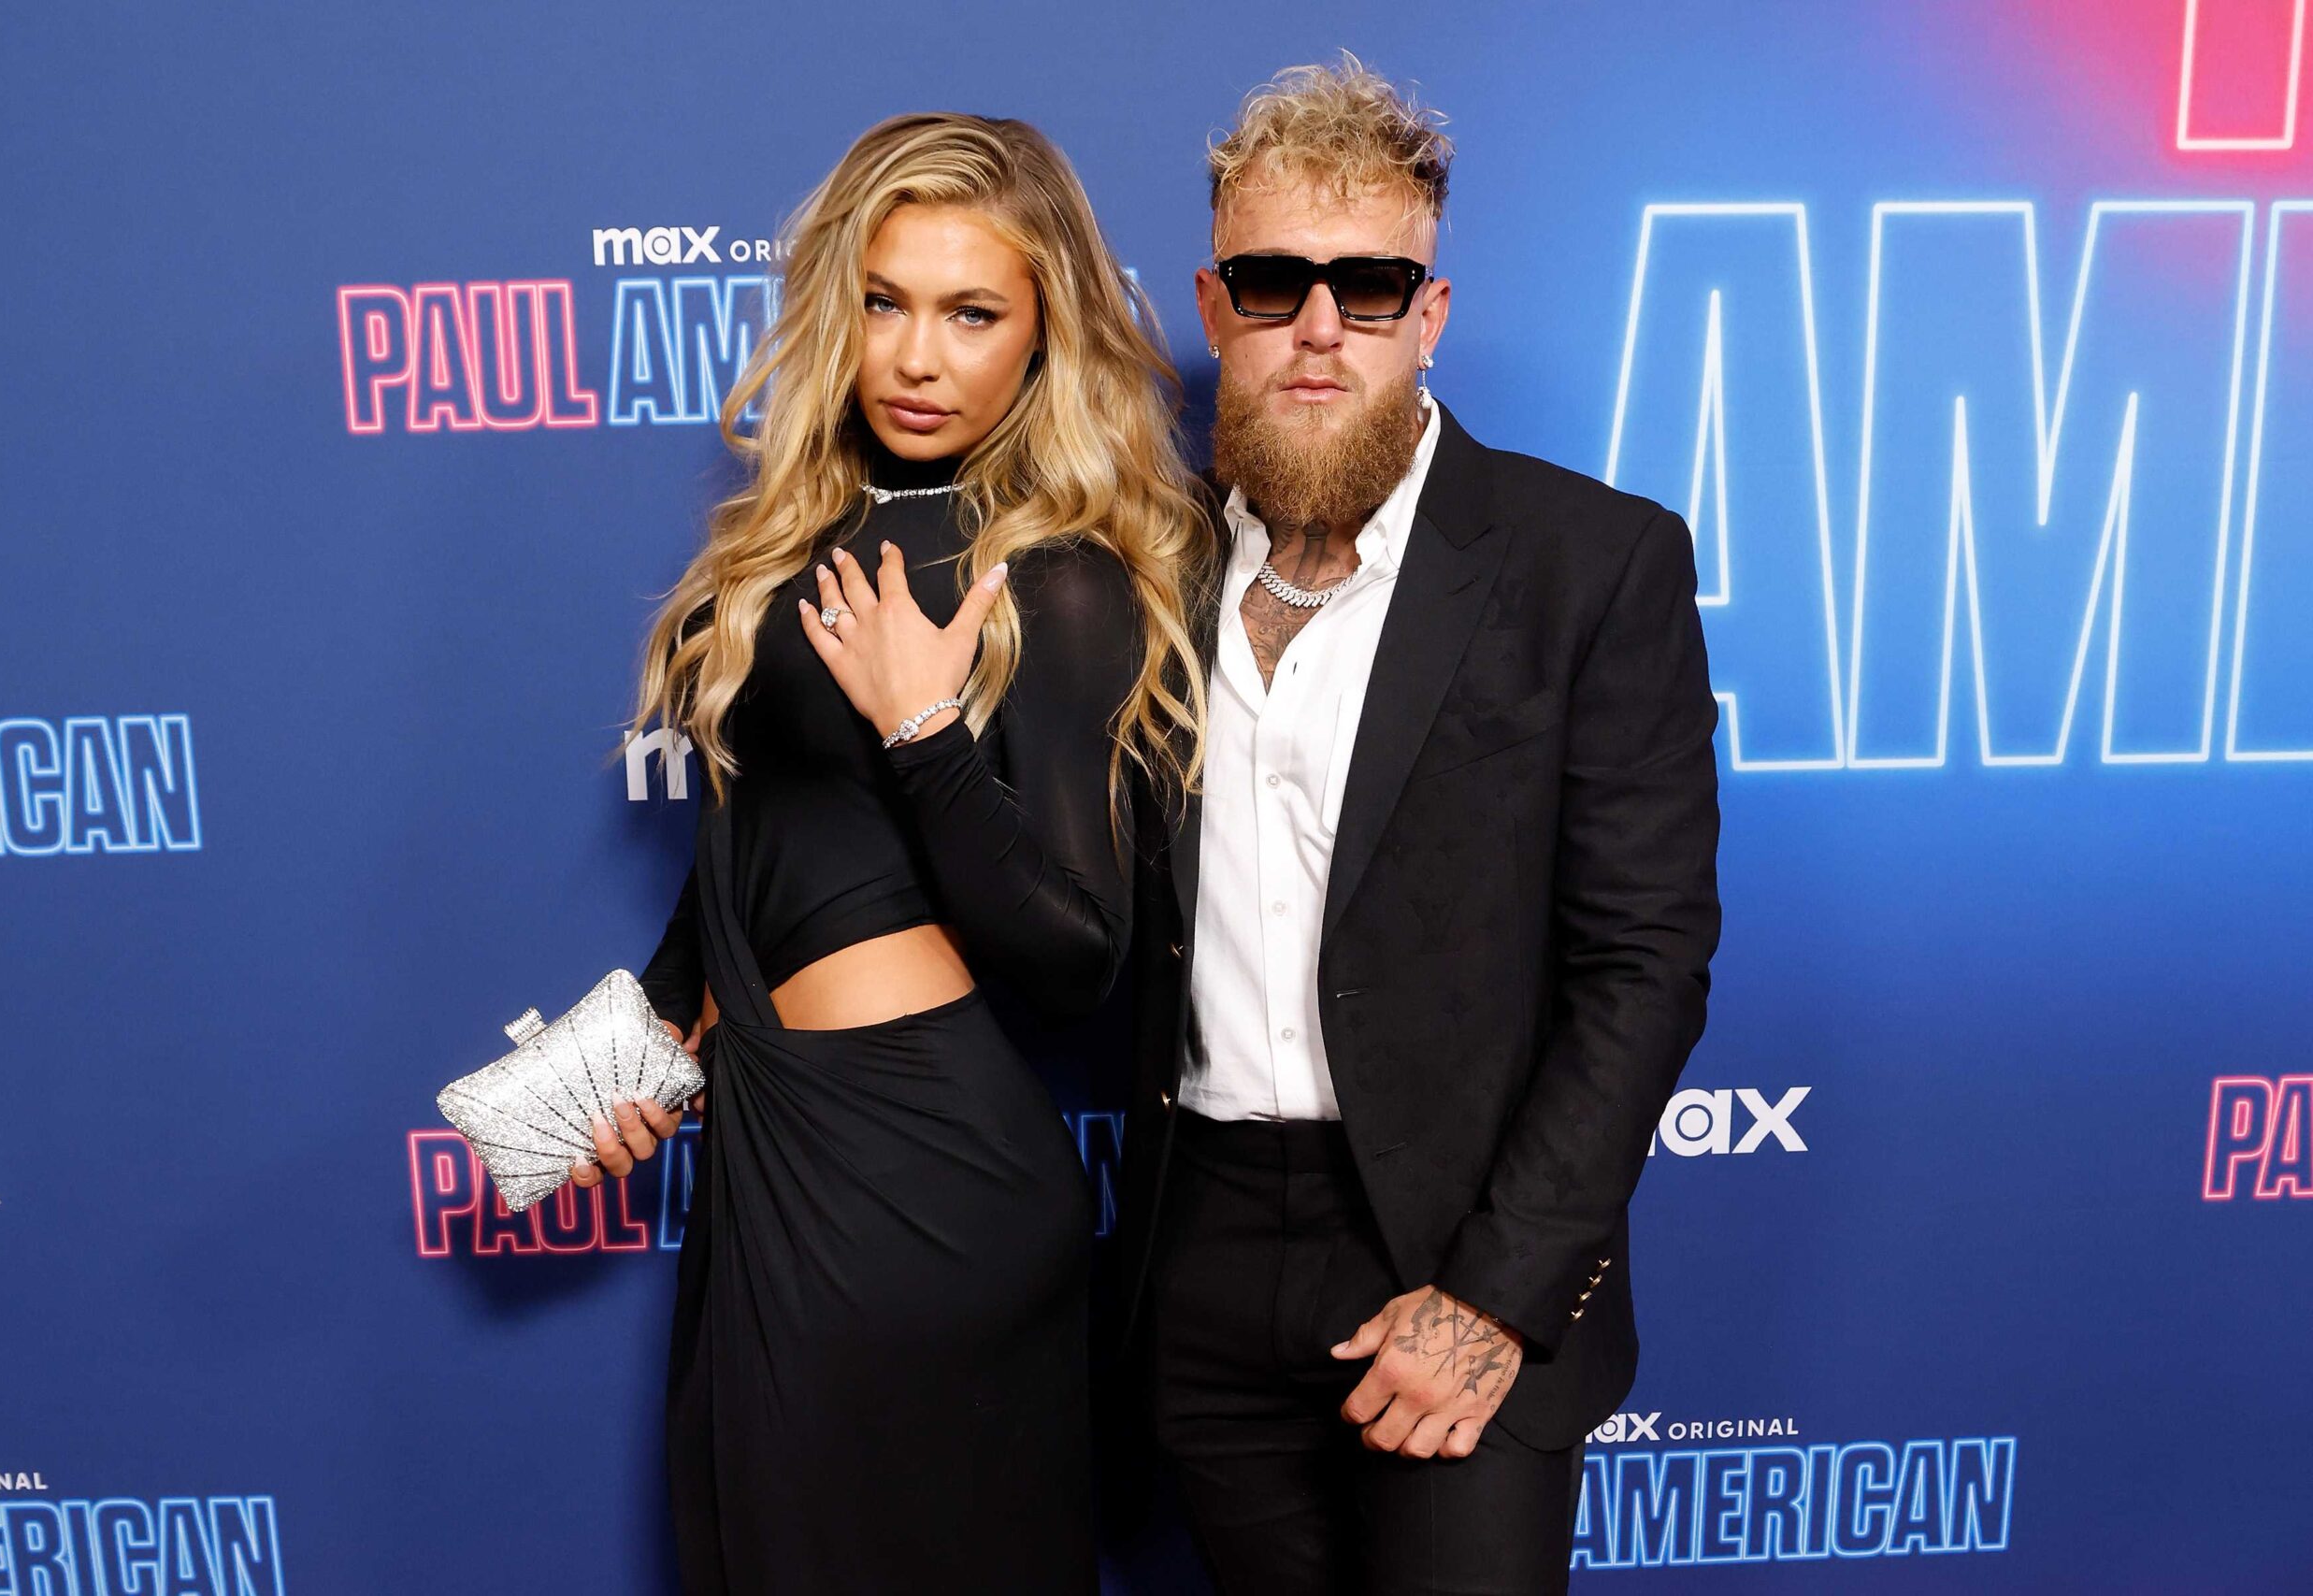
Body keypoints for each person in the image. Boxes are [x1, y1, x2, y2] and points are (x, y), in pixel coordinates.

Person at [576, 111, 1210, 1593]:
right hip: (770, 1148)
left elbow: (1076, 958)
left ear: (1045, 332)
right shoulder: (786, 547)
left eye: (972, 313)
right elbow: (752, 850)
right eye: (885, 302)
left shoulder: (1052, 578)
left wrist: (926, 727)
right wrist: (640, 1057)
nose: (920, 358)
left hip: (924, 1180)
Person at [1114, 58, 1722, 1593]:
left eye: (1369, 286)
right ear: (1213, 302)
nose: (1320, 326)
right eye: (1274, 281)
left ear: (1426, 314)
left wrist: (1497, 1299)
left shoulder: (1593, 563)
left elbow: (1644, 963)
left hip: (1465, 1249)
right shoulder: (1130, 573)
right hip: (1201, 1257)